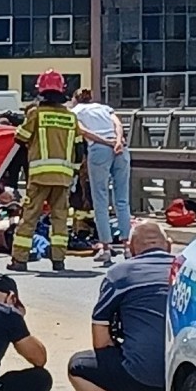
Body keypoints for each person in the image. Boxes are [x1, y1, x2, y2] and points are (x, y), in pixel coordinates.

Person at [67, 220, 172, 391]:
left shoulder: (119, 273)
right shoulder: (191, 271)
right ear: (169, 245)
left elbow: (101, 342)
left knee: (78, 366)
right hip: (195, 381)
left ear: (130, 248)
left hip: (145, 380)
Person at [8, 70, 85, 272]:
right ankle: (58, 260)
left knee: (30, 217)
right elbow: (79, 150)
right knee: (60, 218)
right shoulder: (71, 118)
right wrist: (74, 173)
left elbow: (20, 137)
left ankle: (19, 260)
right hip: (63, 177)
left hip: (39, 176)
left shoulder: (36, 114)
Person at [70, 89, 131, 263]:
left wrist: (105, 142)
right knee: (122, 199)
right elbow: (118, 125)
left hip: (99, 150)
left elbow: (84, 132)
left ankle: (106, 247)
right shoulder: (105, 108)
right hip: (121, 150)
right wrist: (118, 141)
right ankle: (127, 246)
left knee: (100, 199)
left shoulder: (75, 112)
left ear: (75, 100)